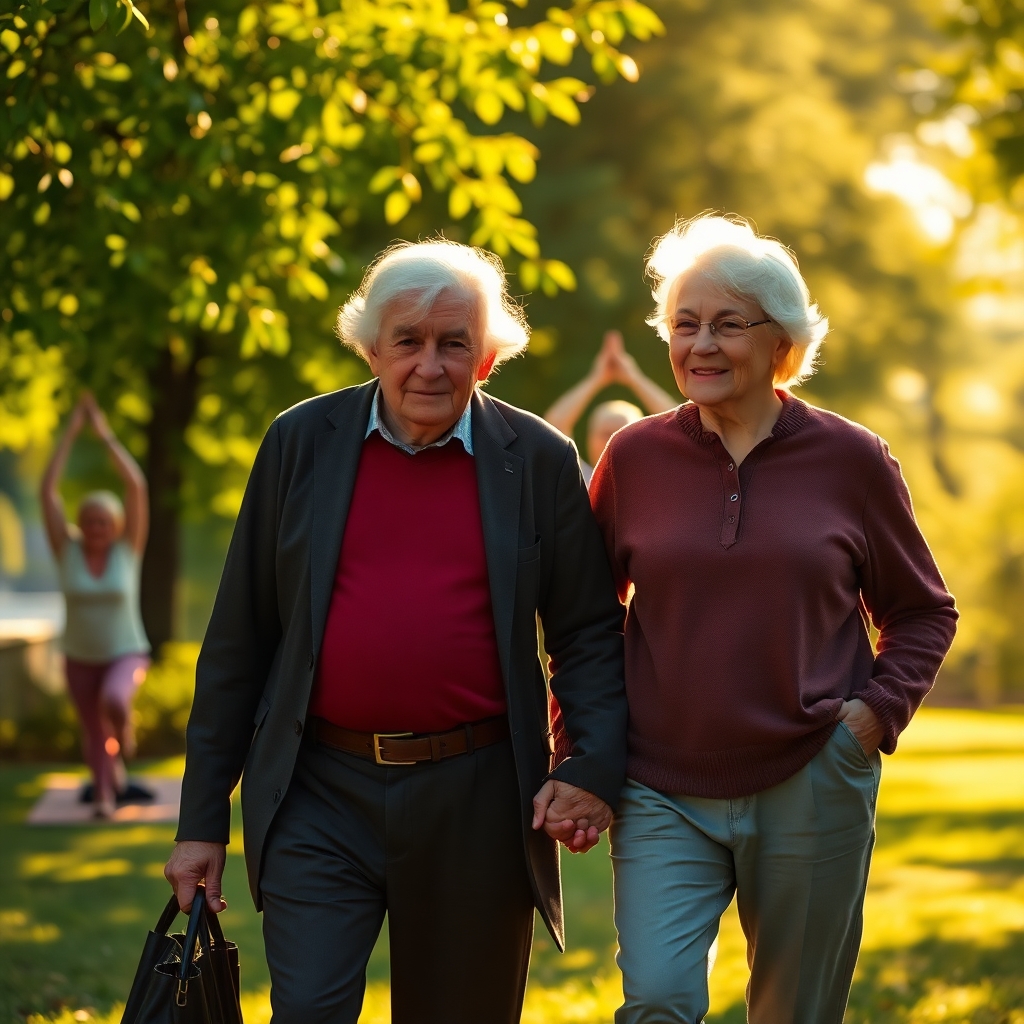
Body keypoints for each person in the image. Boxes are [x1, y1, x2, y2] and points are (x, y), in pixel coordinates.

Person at [164, 239, 628, 1024]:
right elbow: (240, 641)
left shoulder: (540, 460)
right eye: (407, 342)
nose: (429, 365)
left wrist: (592, 765)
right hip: (319, 789)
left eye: (454, 344)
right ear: (371, 348)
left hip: (479, 796)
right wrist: (202, 821)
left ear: (485, 359)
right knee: (307, 1011)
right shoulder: (298, 443)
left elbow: (587, 631)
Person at [590, 214, 958, 1024]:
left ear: (781, 342)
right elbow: (586, 621)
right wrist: (580, 752)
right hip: (660, 786)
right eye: (684, 325)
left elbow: (923, 610)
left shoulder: (852, 458)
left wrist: (871, 716)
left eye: (728, 324)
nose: (701, 344)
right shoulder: (636, 458)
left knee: (795, 1011)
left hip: (811, 776)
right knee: (655, 998)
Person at [41, 392, 151, 818]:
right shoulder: (66, 550)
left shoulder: (128, 550)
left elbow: (136, 486)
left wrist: (103, 434)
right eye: (88, 521)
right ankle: (105, 796)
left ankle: (126, 731)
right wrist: (70, 434)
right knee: (91, 730)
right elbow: (48, 489)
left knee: (116, 702)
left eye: (103, 522)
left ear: (116, 525)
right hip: (78, 655)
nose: (95, 528)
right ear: (79, 524)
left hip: (125, 650)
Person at [545, 329, 677, 483]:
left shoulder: (657, 481)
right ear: (589, 439)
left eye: (622, 432)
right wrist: (595, 379)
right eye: (606, 433)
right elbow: (554, 426)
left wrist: (635, 378)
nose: (613, 440)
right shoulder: (579, 481)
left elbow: (679, 424)